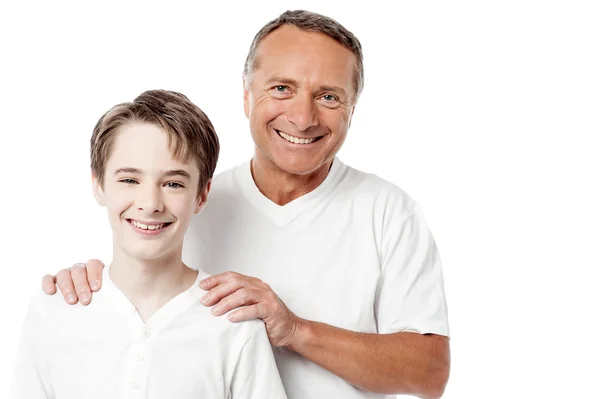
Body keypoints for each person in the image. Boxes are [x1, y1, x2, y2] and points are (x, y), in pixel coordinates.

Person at [42, 10, 451, 399]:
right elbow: (134, 290)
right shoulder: (188, 203)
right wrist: (87, 288)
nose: (303, 117)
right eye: (281, 89)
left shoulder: (390, 214)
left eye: (328, 96)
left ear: (352, 110)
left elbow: (430, 374)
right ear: (246, 96)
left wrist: (294, 330)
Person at [14, 90, 287, 398]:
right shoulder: (54, 310)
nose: (150, 203)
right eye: (129, 180)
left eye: (173, 183)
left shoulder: (234, 323)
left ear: (202, 194)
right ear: (98, 184)